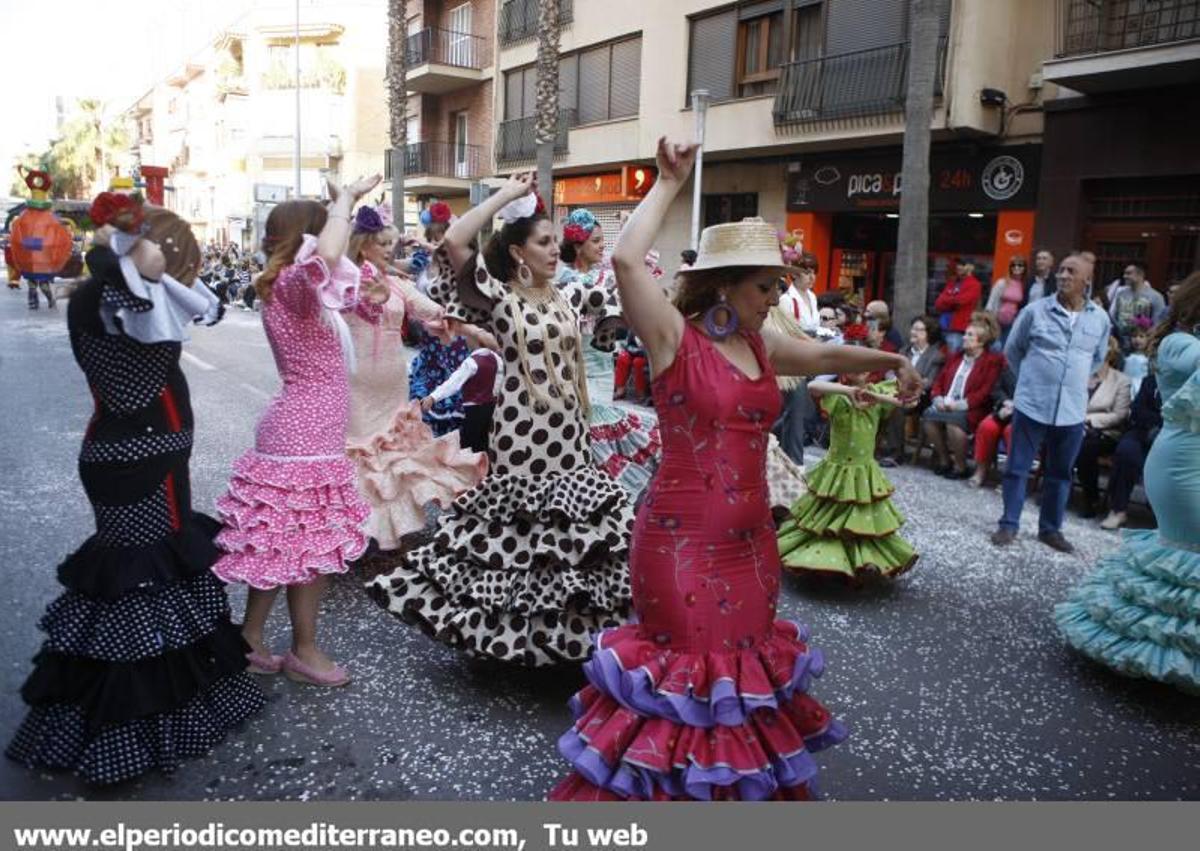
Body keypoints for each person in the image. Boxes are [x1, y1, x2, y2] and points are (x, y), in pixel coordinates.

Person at [548, 137, 923, 801]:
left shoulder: (758, 340)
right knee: (687, 690)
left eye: (778, 285)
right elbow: (627, 259)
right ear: (724, 284)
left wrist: (889, 361)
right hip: (681, 546)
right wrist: (668, 181)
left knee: (740, 689)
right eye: (763, 286)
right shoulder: (671, 336)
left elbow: (817, 355)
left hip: (753, 547)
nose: (774, 298)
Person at [6, 197, 265, 785]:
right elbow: (132, 376)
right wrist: (132, 250)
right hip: (135, 463)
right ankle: (123, 735)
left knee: (149, 582)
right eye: (178, 261)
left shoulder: (123, 297)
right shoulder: (112, 298)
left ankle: (153, 716)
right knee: (136, 585)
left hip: (147, 459)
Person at [367, 175, 636, 667]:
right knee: (521, 529)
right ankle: (510, 637)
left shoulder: (571, 296)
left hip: (570, 430)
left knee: (567, 530)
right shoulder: (499, 297)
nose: (554, 251)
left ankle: (568, 635)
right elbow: (455, 240)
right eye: (543, 242)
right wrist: (508, 196)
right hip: (520, 428)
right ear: (517, 251)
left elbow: (627, 297)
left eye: (556, 242)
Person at [212, 173, 382, 688]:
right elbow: (328, 256)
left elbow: (351, 284)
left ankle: (250, 639)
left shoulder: (297, 289)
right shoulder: (294, 283)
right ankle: (304, 651)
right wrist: (345, 200)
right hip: (303, 438)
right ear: (307, 236)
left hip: (301, 433)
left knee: (278, 544)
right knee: (309, 549)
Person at [1055, 271, 1200, 692]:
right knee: (1189, 551)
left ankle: (1173, 652)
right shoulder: (1178, 345)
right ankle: (1157, 655)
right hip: (1182, 465)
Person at [343, 205, 486, 552]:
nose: (389, 249)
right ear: (363, 246)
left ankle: (383, 524)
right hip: (356, 381)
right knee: (363, 451)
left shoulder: (395, 282)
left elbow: (429, 309)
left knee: (393, 453)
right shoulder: (345, 280)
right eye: (382, 243)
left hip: (393, 380)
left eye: (390, 243)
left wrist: (469, 327)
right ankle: (352, 524)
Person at [991, 253, 1112, 553]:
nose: (1063, 276)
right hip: (1032, 403)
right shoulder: (1035, 311)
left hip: (1071, 409)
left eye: (1071, 272)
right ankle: (1008, 524)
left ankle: (1050, 530)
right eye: (1061, 270)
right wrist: (1032, 381)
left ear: (1086, 280)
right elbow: (1013, 350)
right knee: (1017, 468)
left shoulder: (1099, 318)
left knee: (1060, 473)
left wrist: (1070, 379)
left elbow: (1097, 358)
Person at [557, 208, 662, 502]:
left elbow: (640, 264)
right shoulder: (560, 277)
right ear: (578, 245)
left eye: (603, 240)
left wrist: (630, 227)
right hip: (568, 371)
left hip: (602, 369)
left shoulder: (605, 275)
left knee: (597, 437)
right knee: (580, 439)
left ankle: (602, 499)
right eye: (596, 241)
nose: (602, 245)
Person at [777, 373, 918, 580]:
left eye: (865, 365)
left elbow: (909, 403)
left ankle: (858, 560)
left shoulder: (879, 391)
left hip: (863, 472)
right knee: (828, 519)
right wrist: (849, 391)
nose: (860, 370)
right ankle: (828, 561)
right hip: (836, 470)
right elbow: (813, 386)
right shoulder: (838, 395)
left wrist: (877, 398)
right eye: (854, 366)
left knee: (860, 520)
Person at [921, 319, 1005, 478]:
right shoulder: (956, 357)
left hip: (972, 408)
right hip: (946, 402)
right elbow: (939, 380)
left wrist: (959, 405)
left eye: (970, 335)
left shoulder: (991, 362)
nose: (964, 337)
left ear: (981, 342)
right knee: (928, 417)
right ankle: (945, 460)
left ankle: (960, 466)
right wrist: (938, 398)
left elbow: (985, 392)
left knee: (953, 423)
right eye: (965, 334)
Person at [1073, 337, 1133, 518]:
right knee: (1059, 436)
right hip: (1073, 424)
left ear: (1110, 354)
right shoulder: (1079, 373)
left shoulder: (1121, 380)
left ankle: (1090, 497)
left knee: (1086, 446)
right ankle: (1055, 487)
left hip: (1104, 432)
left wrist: (1087, 420)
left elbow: (1120, 415)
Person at [421, 323, 503, 454]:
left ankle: (467, 463)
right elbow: (498, 384)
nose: (465, 339)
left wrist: (433, 397)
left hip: (473, 409)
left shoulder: (472, 362)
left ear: (476, 339)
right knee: (483, 442)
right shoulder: (497, 359)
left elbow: (453, 383)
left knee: (467, 442)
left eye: (468, 336)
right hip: (491, 407)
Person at [1099, 372, 1162, 530]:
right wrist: (1161, 421)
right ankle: (1118, 510)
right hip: (1146, 431)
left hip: (1179, 438)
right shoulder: (1152, 381)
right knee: (1126, 451)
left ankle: (1168, 517)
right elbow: (1137, 410)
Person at [1108, 262, 1168, 351]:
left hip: (1142, 343)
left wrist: (1146, 339)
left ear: (1140, 275)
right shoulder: (1121, 294)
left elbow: (1159, 322)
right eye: (1124, 273)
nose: (1124, 276)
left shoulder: (1155, 296)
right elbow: (1116, 316)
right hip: (1121, 342)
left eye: (1128, 273)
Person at [934, 257, 982, 353]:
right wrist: (952, 300)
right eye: (959, 265)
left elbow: (961, 301)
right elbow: (938, 303)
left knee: (954, 355)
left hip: (959, 328)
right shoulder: (952, 283)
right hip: (944, 326)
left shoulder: (975, 284)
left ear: (970, 267)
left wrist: (948, 299)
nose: (959, 267)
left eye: (963, 265)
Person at [985, 256, 1027, 345]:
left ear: (1024, 268)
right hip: (996, 320)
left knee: (1006, 346)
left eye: (1020, 265)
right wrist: (989, 319)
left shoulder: (1023, 285)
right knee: (995, 346)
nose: (1016, 267)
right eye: (1013, 265)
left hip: (1012, 322)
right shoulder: (1002, 282)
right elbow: (991, 301)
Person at [780, 251, 820, 334]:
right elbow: (783, 333)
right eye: (807, 273)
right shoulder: (786, 300)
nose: (812, 277)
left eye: (814, 273)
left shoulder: (812, 297)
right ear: (794, 274)